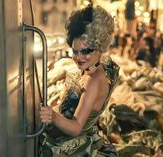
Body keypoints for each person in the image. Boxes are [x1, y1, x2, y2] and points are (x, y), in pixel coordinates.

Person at [38, 4, 119, 157]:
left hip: (74, 146)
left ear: (100, 48)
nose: (78, 57)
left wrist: (53, 116)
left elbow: (76, 128)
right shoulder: (102, 66)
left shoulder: (93, 81)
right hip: (87, 137)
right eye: (75, 51)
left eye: (86, 51)